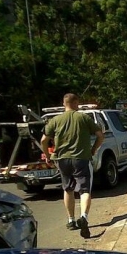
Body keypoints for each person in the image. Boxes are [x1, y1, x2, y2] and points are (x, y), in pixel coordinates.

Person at [41, 93, 104, 238]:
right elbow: (100, 136)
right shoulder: (83, 118)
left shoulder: (55, 120)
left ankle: (71, 220)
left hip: (62, 159)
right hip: (81, 158)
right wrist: (93, 150)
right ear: (76, 103)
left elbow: (44, 140)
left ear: (64, 104)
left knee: (68, 189)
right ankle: (84, 217)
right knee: (84, 190)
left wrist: (48, 155)